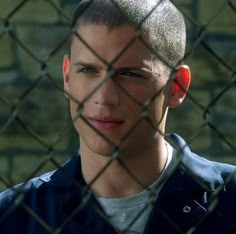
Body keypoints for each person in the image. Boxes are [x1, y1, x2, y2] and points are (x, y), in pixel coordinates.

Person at [0, 0, 236, 233]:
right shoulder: (12, 217)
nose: (104, 97)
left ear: (176, 86)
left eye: (130, 74)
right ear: (67, 77)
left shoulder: (229, 200)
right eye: (88, 70)